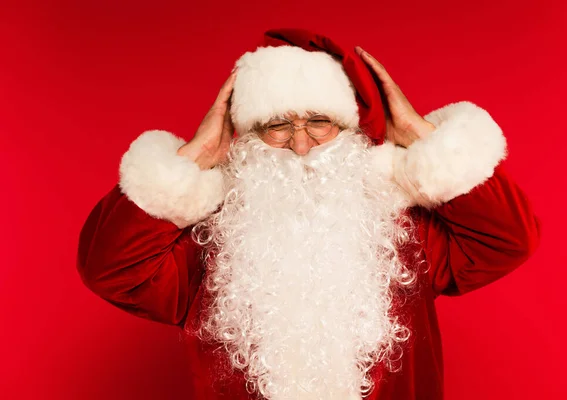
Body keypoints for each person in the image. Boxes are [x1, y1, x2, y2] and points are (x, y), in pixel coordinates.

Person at [77, 28, 541, 400]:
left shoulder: (404, 233)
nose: (301, 145)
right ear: (247, 136)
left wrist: (422, 138)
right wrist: (190, 161)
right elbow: (110, 268)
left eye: (319, 122)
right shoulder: (211, 250)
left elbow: (510, 238)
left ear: (352, 129)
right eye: (278, 125)